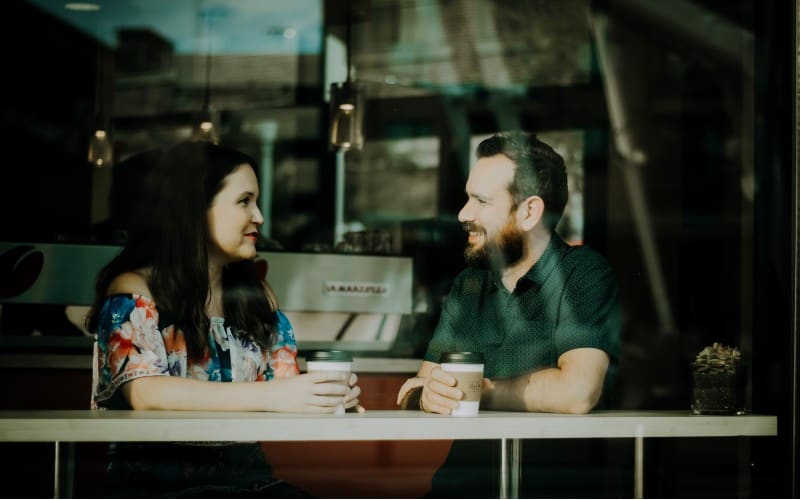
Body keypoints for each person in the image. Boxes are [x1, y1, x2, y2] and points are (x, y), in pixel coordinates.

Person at [87, 141, 362, 498]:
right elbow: (146, 392)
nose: (259, 217)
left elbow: (283, 388)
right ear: (195, 209)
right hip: (158, 487)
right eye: (244, 201)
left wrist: (326, 398)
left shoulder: (256, 296)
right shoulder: (134, 289)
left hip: (249, 483)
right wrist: (278, 395)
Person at [396, 131, 622, 498]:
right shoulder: (469, 284)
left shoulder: (582, 274)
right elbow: (420, 387)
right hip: (460, 488)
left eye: (481, 201)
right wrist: (424, 397)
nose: (463, 214)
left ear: (529, 211)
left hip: (552, 489)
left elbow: (577, 392)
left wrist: (478, 393)